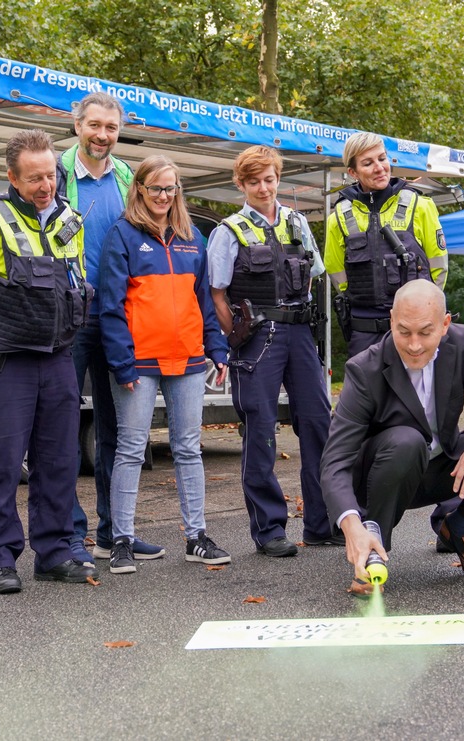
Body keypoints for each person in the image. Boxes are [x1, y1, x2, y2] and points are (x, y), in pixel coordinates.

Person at [0, 129, 98, 593]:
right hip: (4, 363)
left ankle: (53, 553)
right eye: (34, 179)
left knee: (59, 461)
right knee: (1, 462)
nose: (45, 186)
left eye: (50, 176)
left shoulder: (72, 221)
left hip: (58, 360)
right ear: (12, 177)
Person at [320, 280, 464, 594]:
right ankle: (372, 550)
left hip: (444, 468)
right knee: (406, 441)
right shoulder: (364, 370)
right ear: (391, 322)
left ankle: (459, 526)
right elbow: (334, 463)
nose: (414, 345)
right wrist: (351, 525)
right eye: (404, 332)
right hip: (384, 475)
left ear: (445, 324)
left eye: (425, 332)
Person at [100, 155, 230, 573]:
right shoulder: (122, 234)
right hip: (138, 362)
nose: (163, 195)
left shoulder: (194, 237)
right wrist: (121, 362)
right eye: (155, 187)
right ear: (139, 188)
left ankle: (196, 537)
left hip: (189, 358)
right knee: (131, 450)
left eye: (170, 187)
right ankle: (120, 540)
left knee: (188, 449)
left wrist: (217, 349)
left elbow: (204, 302)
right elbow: (110, 305)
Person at [55, 92, 165, 566]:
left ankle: (112, 532)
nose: (103, 135)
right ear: (77, 125)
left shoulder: (127, 177)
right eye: (94, 125)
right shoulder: (55, 175)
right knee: (59, 427)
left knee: (115, 430)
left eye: (111, 128)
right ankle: (68, 536)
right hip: (69, 314)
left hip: (119, 318)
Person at [207, 145, 333, 558]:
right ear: (240, 184)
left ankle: (321, 522)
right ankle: (269, 530)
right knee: (259, 432)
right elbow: (217, 294)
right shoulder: (228, 232)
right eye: (254, 181)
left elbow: (312, 275)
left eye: (270, 179)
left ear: (278, 179)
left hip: (299, 333)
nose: (263, 187)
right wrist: (237, 334)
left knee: (318, 424)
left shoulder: (297, 222)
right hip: (257, 337)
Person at [324, 132, 449, 359]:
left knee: (417, 393)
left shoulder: (420, 205)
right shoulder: (339, 216)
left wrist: (427, 311)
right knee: (365, 393)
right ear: (353, 172)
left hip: (415, 327)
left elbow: (438, 266)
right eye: (368, 163)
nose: (379, 167)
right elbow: (336, 271)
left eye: (382, 158)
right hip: (364, 329)